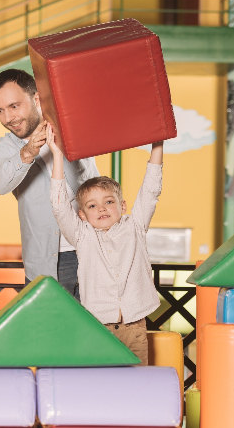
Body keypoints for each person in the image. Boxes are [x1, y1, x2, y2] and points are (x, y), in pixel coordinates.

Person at [46, 123, 164, 365]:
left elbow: (150, 191)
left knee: (136, 381)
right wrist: (56, 155)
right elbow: (59, 206)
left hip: (135, 325)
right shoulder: (82, 236)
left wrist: (157, 145)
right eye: (91, 205)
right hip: (99, 326)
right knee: (103, 383)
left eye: (109, 201)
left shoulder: (135, 226)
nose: (101, 208)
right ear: (82, 215)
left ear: (122, 206)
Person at [0, 69, 99, 299]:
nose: (8, 118)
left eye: (14, 106)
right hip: (47, 262)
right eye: (0, 111)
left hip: (93, 251)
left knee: (98, 331)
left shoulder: (71, 129)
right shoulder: (1, 149)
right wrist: (28, 151)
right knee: (50, 333)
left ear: (36, 99)